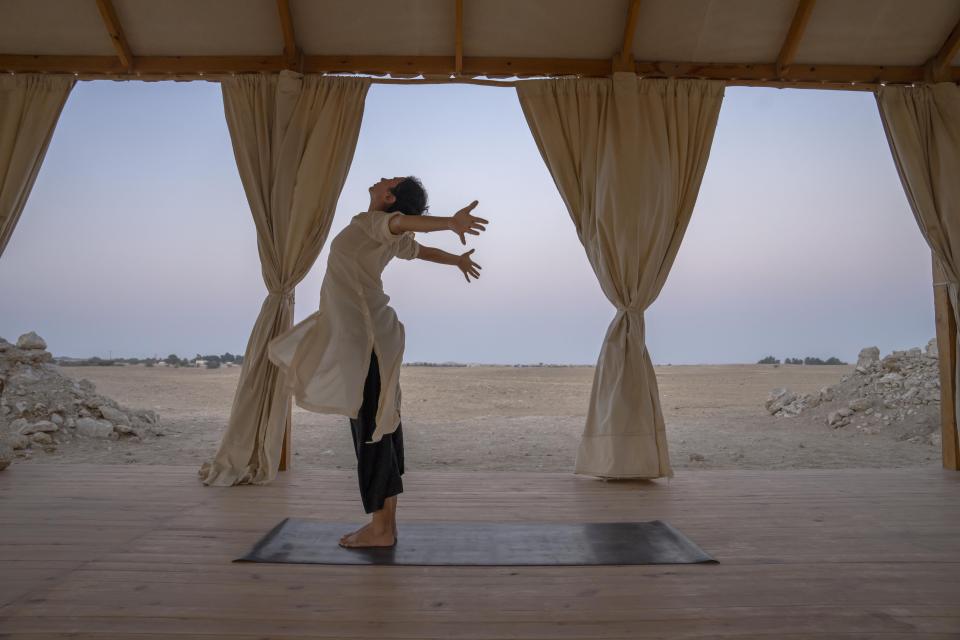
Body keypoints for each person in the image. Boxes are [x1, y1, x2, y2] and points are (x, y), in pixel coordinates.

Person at [266, 176, 488, 548]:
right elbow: (419, 249)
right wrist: (456, 260)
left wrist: (451, 223)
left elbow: (402, 223)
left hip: (368, 340)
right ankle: (387, 526)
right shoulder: (383, 234)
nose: (383, 177)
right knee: (380, 426)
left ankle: (381, 528)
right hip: (373, 338)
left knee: (372, 428)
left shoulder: (371, 223)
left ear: (388, 196)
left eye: (391, 180)